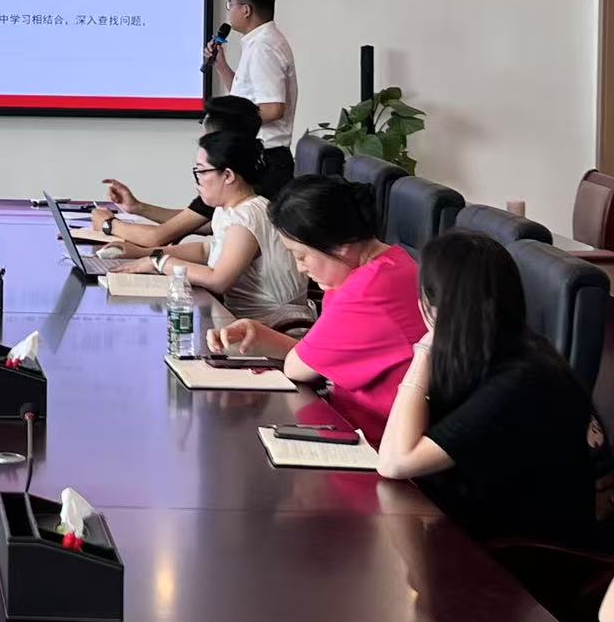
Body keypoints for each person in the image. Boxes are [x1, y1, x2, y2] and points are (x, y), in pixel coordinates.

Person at [376, 229, 614, 549]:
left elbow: (395, 461)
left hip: (536, 561)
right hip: (497, 538)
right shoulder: (506, 349)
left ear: (433, 309)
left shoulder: (521, 380)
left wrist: (423, 350)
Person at [207, 175, 425, 441]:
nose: (300, 268)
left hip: (370, 438)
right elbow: (314, 361)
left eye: (301, 256)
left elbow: (298, 368)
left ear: (341, 245)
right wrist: (259, 333)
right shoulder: (392, 262)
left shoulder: (368, 291)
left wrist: (266, 338)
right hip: (353, 419)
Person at [112, 131, 309, 326]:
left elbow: (219, 280)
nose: (197, 179)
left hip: (274, 327)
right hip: (240, 322)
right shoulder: (228, 209)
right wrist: (144, 254)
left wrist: (159, 262)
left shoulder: (246, 217)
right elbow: (205, 250)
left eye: (201, 171)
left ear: (228, 175)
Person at [100, 96, 270, 253]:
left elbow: (157, 237)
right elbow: (201, 224)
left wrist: (108, 224)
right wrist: (137, 207)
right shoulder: (252, 166)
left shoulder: (233, 182)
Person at [206, 0, 296, 198]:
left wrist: (227, 121)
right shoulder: (258, 43)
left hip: (266, 160)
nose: (229, 11)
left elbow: (274, 108)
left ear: (246, 10)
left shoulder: (263, 47)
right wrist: (221, 66)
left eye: (231, 4)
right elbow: (246, 100)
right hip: (261, 156)